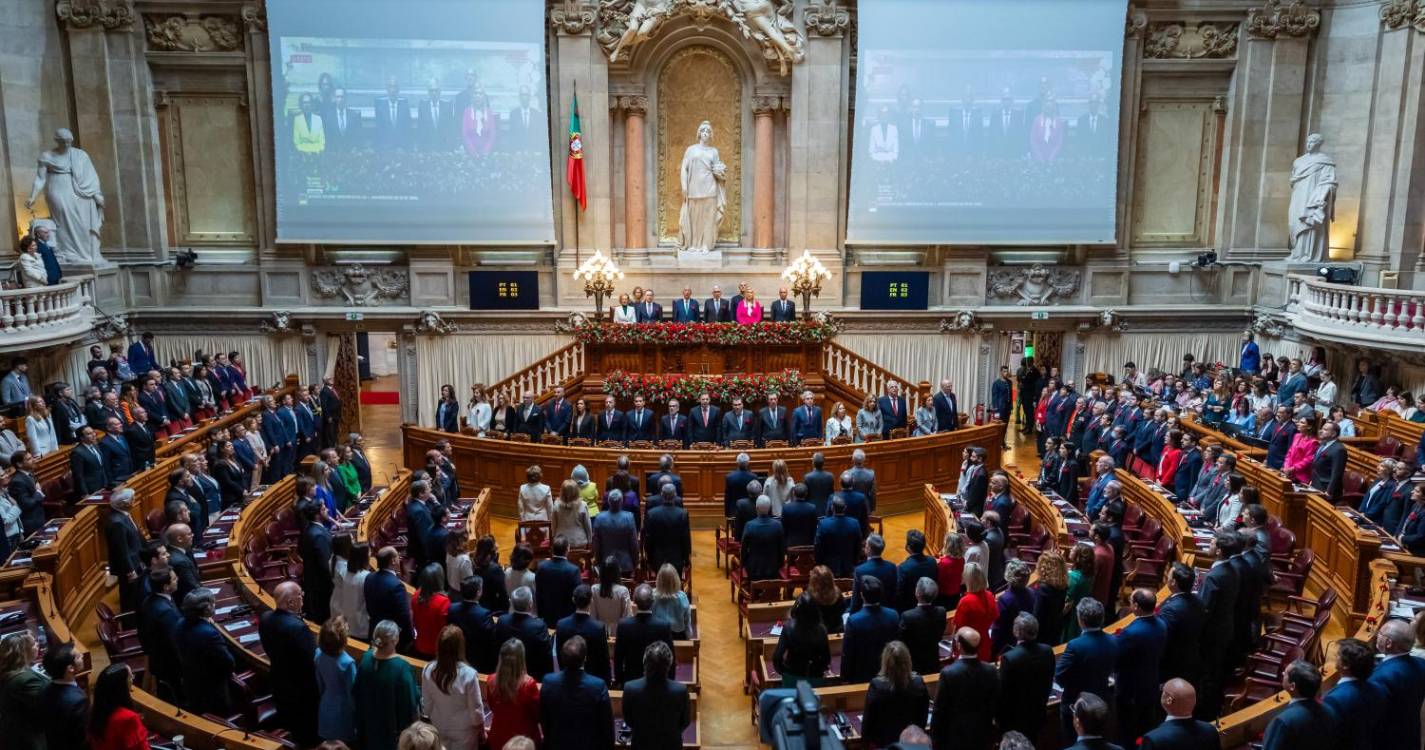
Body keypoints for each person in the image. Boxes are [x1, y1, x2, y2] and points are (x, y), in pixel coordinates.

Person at [259, 581, 320, 746]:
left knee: (290, 722)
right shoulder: (297, 628)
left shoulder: (265, 618)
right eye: (300, 594)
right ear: (290, 603)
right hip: (303, 689)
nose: (303, 597)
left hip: (279, 680)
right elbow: (312, 660)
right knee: (307, 728)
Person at [1056, 598, 1119, 745]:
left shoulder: (1075, 646)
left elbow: (1059, 676)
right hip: (1102, 700)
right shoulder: (1113, 640)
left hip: (1076, 704)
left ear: (1080, 620)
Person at [355, 620, 421, 750]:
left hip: (367, 725)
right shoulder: (401, 668)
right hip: (390, 732)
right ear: (395, 639)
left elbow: (356, 692)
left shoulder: (366, 658)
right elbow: (410, 704)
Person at [540, 635, 615, 750]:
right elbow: (607, 728)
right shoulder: (598, 686)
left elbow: (544, 720)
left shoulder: (548, 682)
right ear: (585, 658)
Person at [932, 627, 1000, 750]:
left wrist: (936, 739)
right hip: (982, 734)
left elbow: (939, 710)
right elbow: (994, 703)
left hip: (954, 737)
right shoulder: (991, 670)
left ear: (959, 646)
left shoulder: (948, 673)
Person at [1115, 589, 1168, 745]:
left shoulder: (1131, 633)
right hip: (1150, 682)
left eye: (1131, 601)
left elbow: (1118, 659)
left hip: (1130, 689)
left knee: (1126, 728)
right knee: (1144, 726)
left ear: (1136, 606)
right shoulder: (1162, 624)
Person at [418, 626, 484, 750]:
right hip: (464, 732)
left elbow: (426, 706)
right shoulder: (469, 675)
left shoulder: (428, 669)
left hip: (439, 726)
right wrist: (481, 729)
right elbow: (476, 710)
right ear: (460, 648)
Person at [174, 588, 235, 715]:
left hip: (191, 681)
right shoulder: (209, 634)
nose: (215, 604)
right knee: (218, 717)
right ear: (206, 608)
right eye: (213, 603)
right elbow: (228, 663)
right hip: (212, 688)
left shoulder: (179, 623)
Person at [623, 640, 691, 750]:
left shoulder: (630, 688)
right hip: (670, 745)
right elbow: (685, 721)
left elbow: (629, 720)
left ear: (645, 662)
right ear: (670, 664)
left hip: (641, 744)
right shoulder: (680, 691)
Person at [997, 612, 1055, 741]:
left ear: (1016, 631)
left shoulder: (1010, 658)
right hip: (1038, 713)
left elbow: (1003, 694)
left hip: (1014, 720)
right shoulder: (1047, 651)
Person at [1369, 618, 1425, 750]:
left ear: (1389, 643)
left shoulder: (1380, 677)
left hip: (1385, 740)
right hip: (1410, 734)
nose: (1377, 636)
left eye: (1380, 634)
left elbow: (1371, 713)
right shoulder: (1421, 664)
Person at [862, 641, 930, 749]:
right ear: (908, 660)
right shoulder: (918, 683)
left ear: (885, 662)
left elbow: (868, 721)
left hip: (884, 743)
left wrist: (865, 743)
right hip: (911, 743)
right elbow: (922, 718)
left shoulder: (877, 685)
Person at [1319, 637, 1383, 750]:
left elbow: (1327, 735)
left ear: (1346, 665)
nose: (1335, 657)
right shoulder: (1378, 689)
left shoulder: (1334, 699)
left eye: (1338, 655)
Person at [1260, 659, 1336, 750]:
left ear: (1292, 686)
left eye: (1285, 674)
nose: (1283, 674)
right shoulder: (1330, 711)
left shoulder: (1283, 721)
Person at [841, 576, 901, 683]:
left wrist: (845, 678)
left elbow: (848, 653)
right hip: (888, 673)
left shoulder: (853, 621)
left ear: (861, 595)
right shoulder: (893, 615)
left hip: (862, 676)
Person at [486, 639, 543, 749]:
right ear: (522, 659)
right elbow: (537, 715)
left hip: (498, 738)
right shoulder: (529, 685)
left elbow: (492, 707)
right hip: (522, 742)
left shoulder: (491, 680)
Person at [614, 584, 674, 686]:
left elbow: (618, 657)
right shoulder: (663, 626)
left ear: (635, 601)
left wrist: (620, 680)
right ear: (652, 601)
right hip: (658, 680)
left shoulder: (623, 625)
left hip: (631, 680)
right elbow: (670, 656)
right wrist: (670, 680)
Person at [1157, 562, 1206, 687]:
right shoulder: (1198, 601)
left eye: (1168, 577)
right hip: (1192, 656)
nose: (1166, 579)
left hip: (1173, 662)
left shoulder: (1170, 609)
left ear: (1173, 582)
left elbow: (1163, 638)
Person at [772, 593, 833, 688]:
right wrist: (817, 670)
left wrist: (784, 672)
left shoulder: (788, 628)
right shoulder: (821, 630)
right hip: (815, 678)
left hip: (792, 677)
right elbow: (826, 659)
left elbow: (777, 657)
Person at [314, 616, 358, 745]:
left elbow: (320, 682)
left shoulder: (318, 654)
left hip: (326, 703)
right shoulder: (347, 663)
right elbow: (352, 693)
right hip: (343, 710)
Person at [0, 631, 48, 749]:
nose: (37, 645)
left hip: (12, 734)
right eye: (33, 644)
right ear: (23, 652)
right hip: (31, 740)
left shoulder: (7, 672)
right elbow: (47, 705)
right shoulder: (26, 680)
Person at [84, 664, 149, 750]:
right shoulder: (128, 718)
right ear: (122, 686)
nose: (132, 680)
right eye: (131, 677)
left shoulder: (95, 709)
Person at [496, 587, 555, 682]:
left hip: (506, 670)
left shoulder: (502, 621)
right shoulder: (539, 626)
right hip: (531, 674)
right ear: (530, 605)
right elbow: (546, 656)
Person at [365, 546, 415, 648]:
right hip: (390, 636)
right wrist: (409, 637)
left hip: (374, 630)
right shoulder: (396, 585)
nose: (399, 558)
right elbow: (404, 616)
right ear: (393, 561)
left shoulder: (369, 577)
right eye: (397, 556)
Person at [899, 577, 947, 675]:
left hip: (913, 663)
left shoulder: (907, 616)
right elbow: (940, 634)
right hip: (933, 660)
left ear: (917, 593)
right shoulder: (942, 611)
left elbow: (902, 640)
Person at [645, 483, 692, 573]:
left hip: (657, 558)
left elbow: (649, 539)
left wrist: (649, 559)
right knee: (676, 585)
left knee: (659, 584)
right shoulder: (682, 514)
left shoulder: (652, 513)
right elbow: (685, 539)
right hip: (677, 558)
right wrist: (687, 559)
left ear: (662, 495)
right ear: (675, 495)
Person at [411, 563, 452, 659]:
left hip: (419, 645)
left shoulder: (415, 596)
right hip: (436, 650)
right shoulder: (443, 602)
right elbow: (444, 631)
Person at [740, 496, 786, 580]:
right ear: (769, 508)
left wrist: (744, 564)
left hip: (753, 571)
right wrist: (780, 565)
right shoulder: (778, 525)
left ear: (756, 508)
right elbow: (781, 548)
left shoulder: (749, 525)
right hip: (773, 570)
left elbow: (743, 549)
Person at [850, 533, 898, 613]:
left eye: (865, 545)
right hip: (888, 611)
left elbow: (856, 599)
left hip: (867, 612)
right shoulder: (892, 567)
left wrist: (852, 616)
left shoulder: (860, 570)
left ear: (868, 549)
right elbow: (894, 594)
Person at [593, 490, 639, 573]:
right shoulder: (629, 517)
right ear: (621, 502)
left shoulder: (599, 518)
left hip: (605, 563)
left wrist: (598, 561)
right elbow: (634, 543)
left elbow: (596, 544)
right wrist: (635, 562)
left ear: (608, 502)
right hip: (625, 564)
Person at [896, 529, 938, 612]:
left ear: (908, 547)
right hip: (930, 603)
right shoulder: (932, 561)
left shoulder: (903, 568)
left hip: (909, 608)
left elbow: (899, 593)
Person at [651, 563, 692, 639]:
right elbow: (687, 620)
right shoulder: (682, 596)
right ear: (676, 579)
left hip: (657, 636)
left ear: (659, 580)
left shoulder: (652, 595)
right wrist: (689, 637)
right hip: (677, 635)